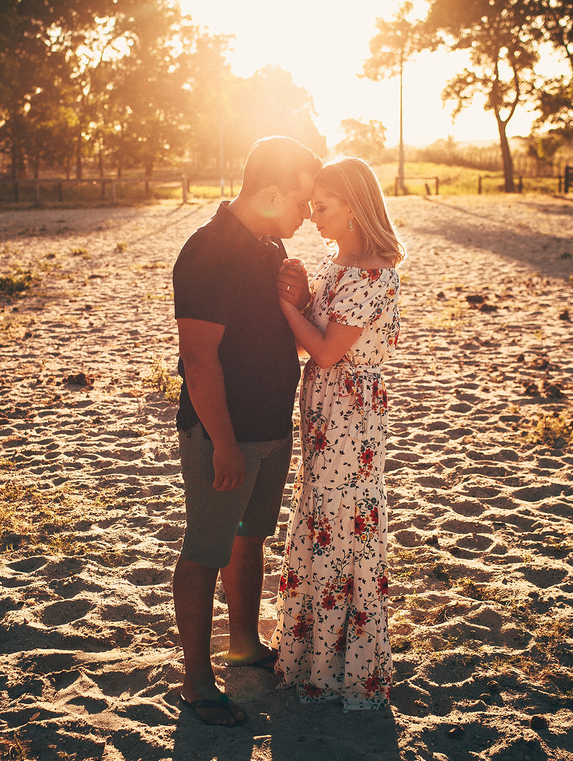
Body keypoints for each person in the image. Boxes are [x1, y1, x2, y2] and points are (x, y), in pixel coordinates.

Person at [170, 136, 321, 727]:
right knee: (205, 550)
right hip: (223, 435)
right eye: (302, 203)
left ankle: (242, 646)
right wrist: (225, 444)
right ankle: (198, 681)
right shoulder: (207, 252)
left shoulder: (268, 242)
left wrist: (299, 296)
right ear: (271, 192)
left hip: (269, 426)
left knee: (248, 538)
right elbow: (199, 359)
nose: (307, 216)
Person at [270, 155, 403, 712]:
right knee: (322, 517)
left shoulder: (373, 271)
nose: (313, 216)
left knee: (340, 524)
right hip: (328, 412)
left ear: (353, 206)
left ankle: (338, 667)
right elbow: (317, 340)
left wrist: (284, 307)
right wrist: (302, 300)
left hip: (350, 416)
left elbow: (324, 351)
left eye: (323, 207)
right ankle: (310, 658)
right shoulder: (337, 266)